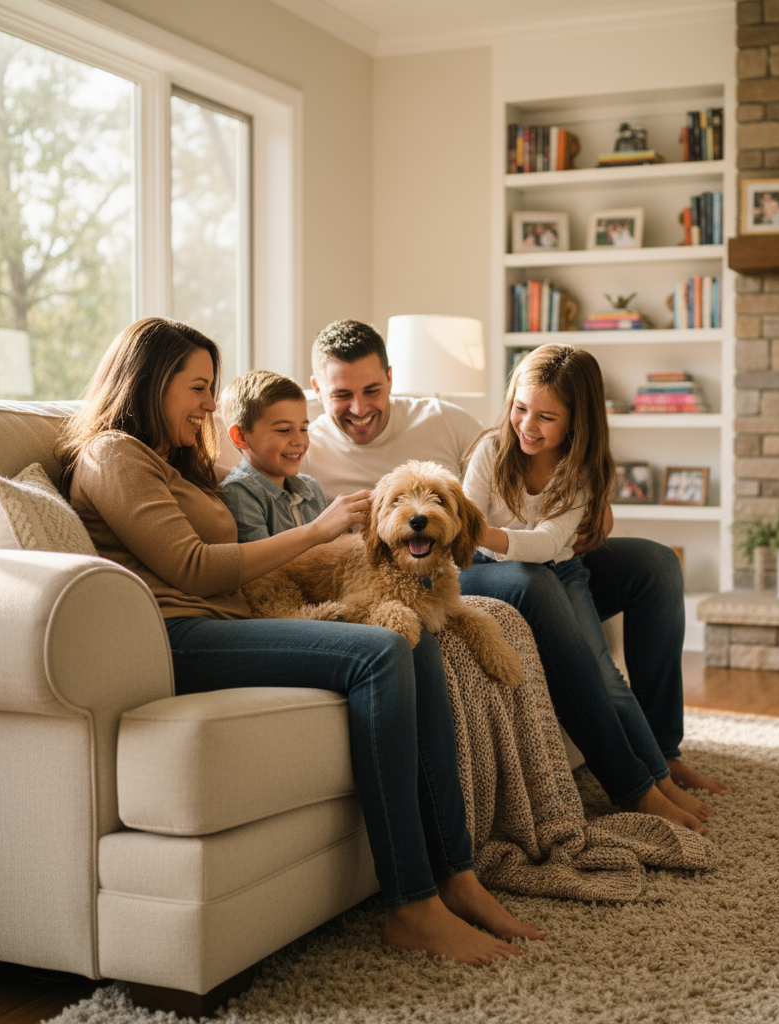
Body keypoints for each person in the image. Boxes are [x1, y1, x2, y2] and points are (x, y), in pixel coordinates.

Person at [54, 317, 543, 967]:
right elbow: (194, 568)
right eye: (198, 388)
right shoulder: (111, 455)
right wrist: (318, 532)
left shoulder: (171, 459)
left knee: (415, 633)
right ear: (150, 381)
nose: (208, 404)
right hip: (178, 634)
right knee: (382, 647)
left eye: (212, 389)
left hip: (228, 621)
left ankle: (457, 873)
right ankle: (412, 903)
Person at [303, 320, 728, 834]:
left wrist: (592, 510)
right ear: (316, 388)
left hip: (533, 549)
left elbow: (498, 484)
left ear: (391, 377)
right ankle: (635, 784)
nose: (359, 407)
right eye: (341, 395)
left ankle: (664, 750)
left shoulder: (444, 419)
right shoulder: (301, 442)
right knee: (533, 582)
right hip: (470, 560)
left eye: (372, 389)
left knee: (656, 564)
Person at [463, 344, 707, 832]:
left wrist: (477, 530)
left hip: (563, 568)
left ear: (576, 422)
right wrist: (474, 534)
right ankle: (645, 786)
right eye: (520, 408)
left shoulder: (580, 471)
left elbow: (548, 543)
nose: (527, 425)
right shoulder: (492, 449)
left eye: (546, 417)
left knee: (607, 676)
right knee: (590, 660)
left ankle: (660, 771)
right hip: (487, 568)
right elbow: (466, 520)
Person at [218, 369, 329, 542]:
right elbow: (263, 558)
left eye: (303, 429)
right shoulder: (239, 492)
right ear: (241, 437)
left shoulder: (311, 489)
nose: (299, 441)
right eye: (283, 430)